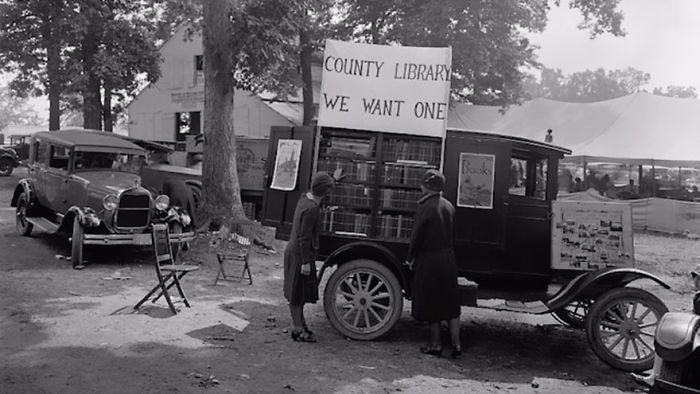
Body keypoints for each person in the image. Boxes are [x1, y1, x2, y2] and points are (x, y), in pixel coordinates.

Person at [406, 169, 462, 358]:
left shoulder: (425, 206)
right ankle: (456, 345)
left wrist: (410, 257)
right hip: (448, 258)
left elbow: (417, 236)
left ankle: (435, 345)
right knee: (451, 304)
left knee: (432, 304)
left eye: (422, 184)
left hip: (429, 259)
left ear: (427, 186)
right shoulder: (449, 206)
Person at [283, 171, 335, 342]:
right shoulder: (313, 209)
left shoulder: (304, 199)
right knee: (298, 295)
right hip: (300, 256)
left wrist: (332, 179)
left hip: (293, 252)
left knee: (295, 293)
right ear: (326, 192)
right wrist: (306, 262)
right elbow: (304, 237)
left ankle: (300, 325)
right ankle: (299, 330)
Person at [631, 264, 700, 387]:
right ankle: (655, 376)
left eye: (698, 279)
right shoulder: (697, 297)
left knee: (673, 339)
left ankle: (656, 376)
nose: (696, 282)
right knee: (671, 339)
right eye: (696, 278)